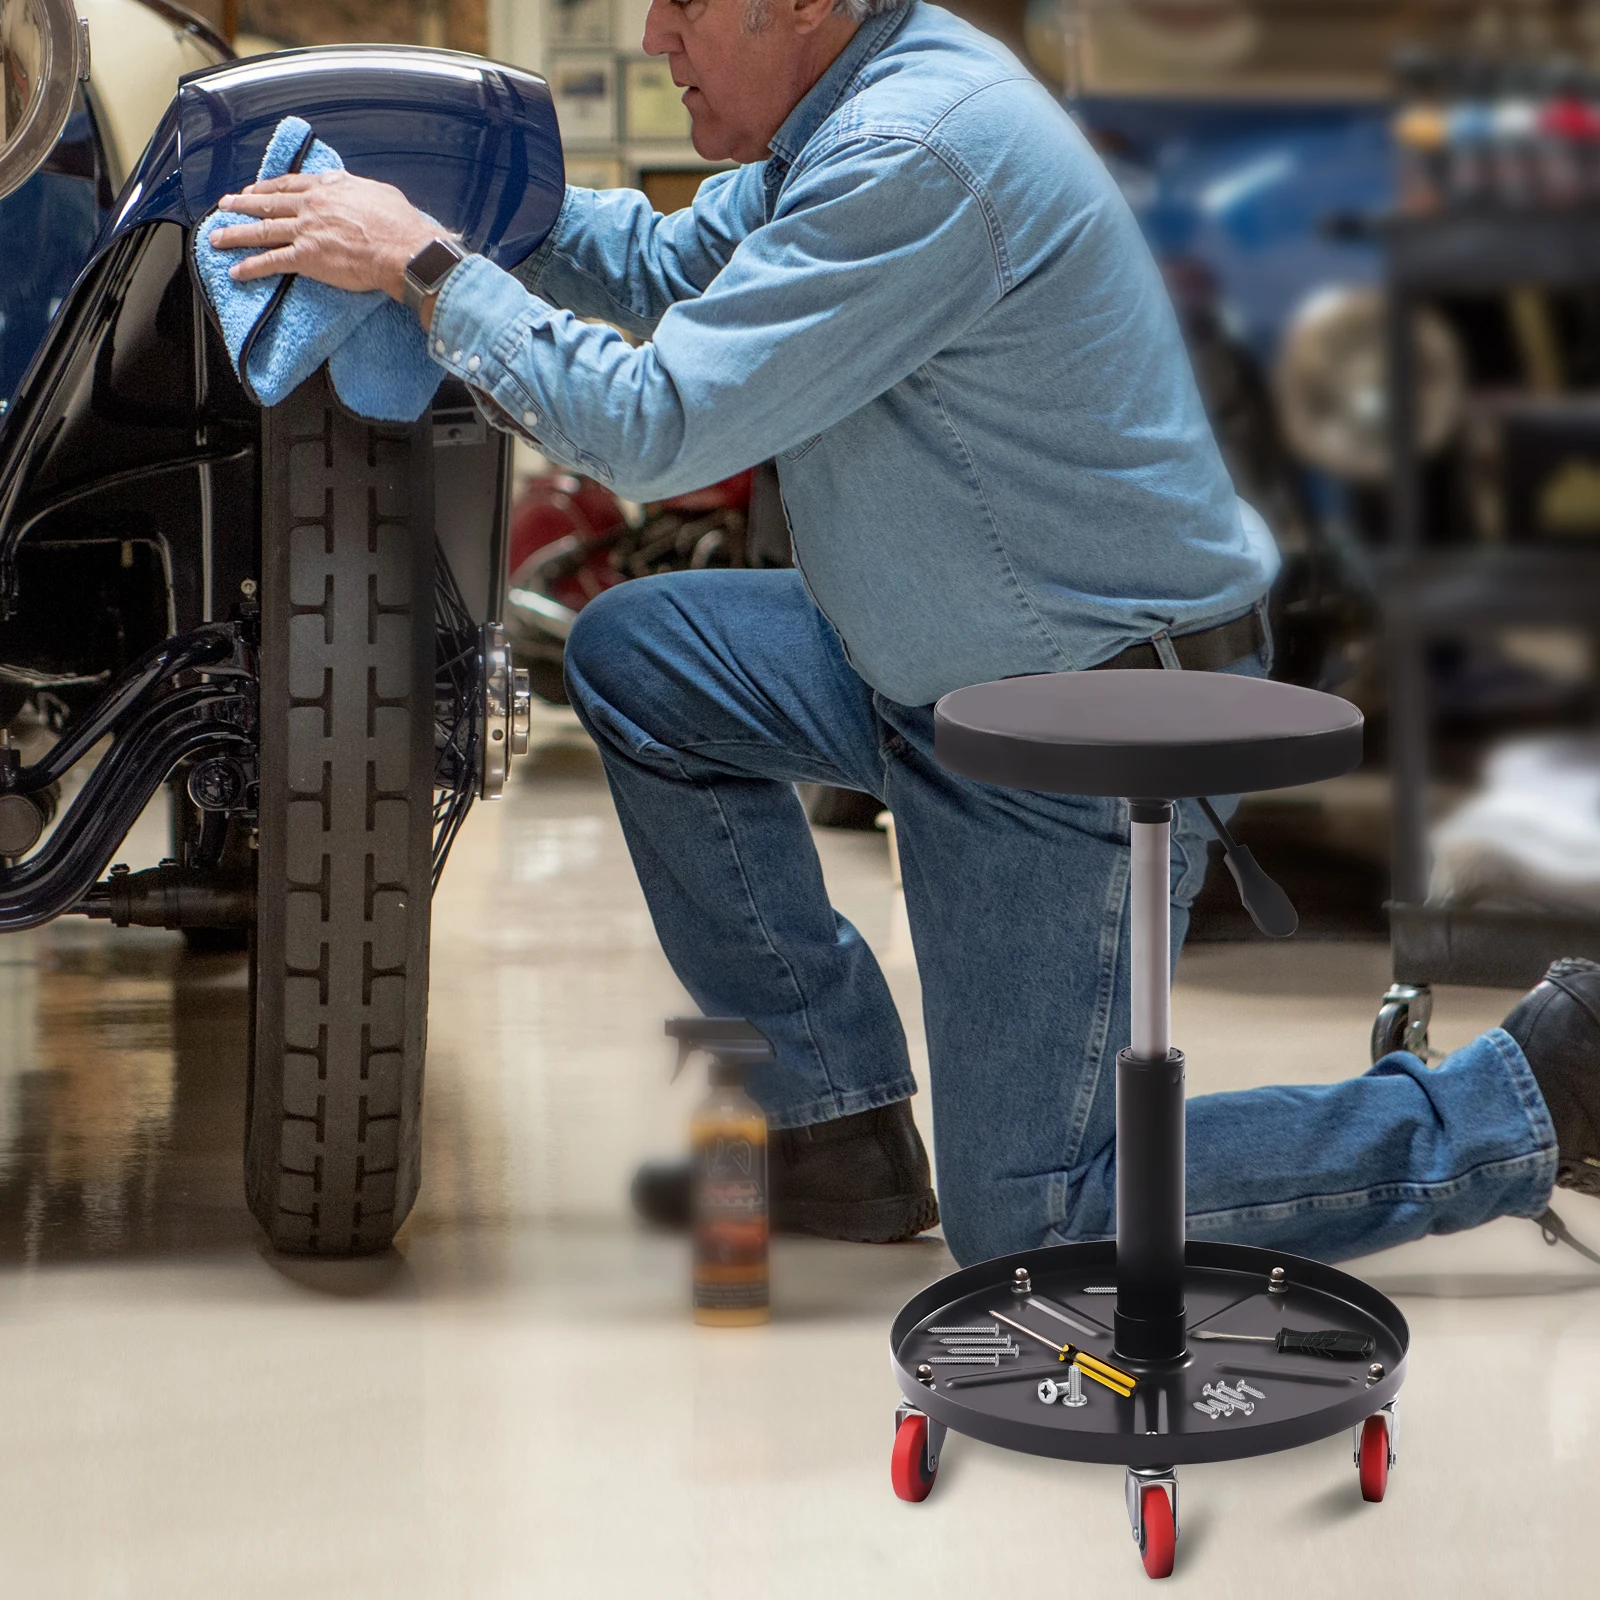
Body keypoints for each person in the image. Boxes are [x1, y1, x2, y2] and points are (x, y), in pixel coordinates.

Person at [210, 0, 1600, 1266]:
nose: (651, 36)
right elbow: (664, 259)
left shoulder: (911, 152)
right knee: (640, 662)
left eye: (688, 4)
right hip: (926, 662)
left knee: (1047, 1216)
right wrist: (452, 204)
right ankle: (840, 1126)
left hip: (1088, 718)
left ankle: (1530, 1091)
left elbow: (654, 422)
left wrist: (431, 269)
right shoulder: (842, 114)